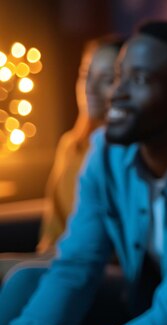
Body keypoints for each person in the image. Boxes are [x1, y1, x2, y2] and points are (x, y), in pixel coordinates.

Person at [2, 21, 167, 325]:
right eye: (119, 75)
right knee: (26, 282)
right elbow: (77, 264)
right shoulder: (106, 151)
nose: (115, 93)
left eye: (140, 80)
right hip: (140, 305)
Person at [0, 35, 124, 278]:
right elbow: (52, 229)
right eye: (85, 74)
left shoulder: (125, 156)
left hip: (94, 268)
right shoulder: (71, 145)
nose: (90, 87)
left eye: (107, 79)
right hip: (57, 258)